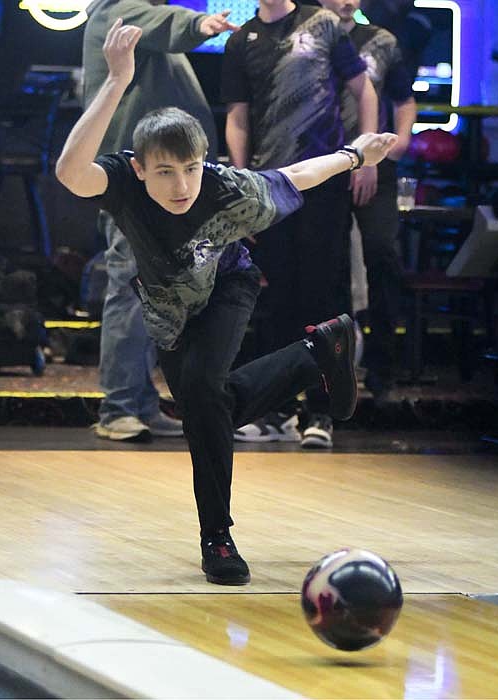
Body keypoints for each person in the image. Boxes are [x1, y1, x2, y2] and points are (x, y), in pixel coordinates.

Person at [56, 18, 397, 585]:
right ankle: (316, 353)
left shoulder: (222, 186)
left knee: (206, 396)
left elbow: (294, 174)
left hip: (227, 289)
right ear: (140, 170)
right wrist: (117, 81)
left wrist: (355, 155)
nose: (180, 184)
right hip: (169, 313)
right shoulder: (122, 183)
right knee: (206, 412)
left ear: (204, 160)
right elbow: (70, 171)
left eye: (189, 168)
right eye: (164, 172)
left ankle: (217, 537)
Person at [221, 0, 379, 449]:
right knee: (274, 300)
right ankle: (271, 410)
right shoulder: (240, 40)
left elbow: (363, 89)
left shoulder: (324, 23)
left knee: (324, 295)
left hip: (326, 181)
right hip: (270, 187)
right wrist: (242, 184)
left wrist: (366, 155)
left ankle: (320, 412)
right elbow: (238, 117)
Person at [80, 0, 238, 441]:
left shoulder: (147, 29)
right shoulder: (119, 13)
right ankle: (118, 408)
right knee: (131, 288)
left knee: (153, 294)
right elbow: (167, 23)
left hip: (160, 181)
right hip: (137, 180)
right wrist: (200, 23)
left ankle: (140, 404)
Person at [321, 0, 416, 403]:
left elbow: (404, 99)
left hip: (375, 164)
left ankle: (382, 369)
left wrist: (397, 145)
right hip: (323, 165)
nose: (347, 2)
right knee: (333, 265)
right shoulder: (308, 39)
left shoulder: (380, 40)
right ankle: (336, 373)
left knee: (381, 253)